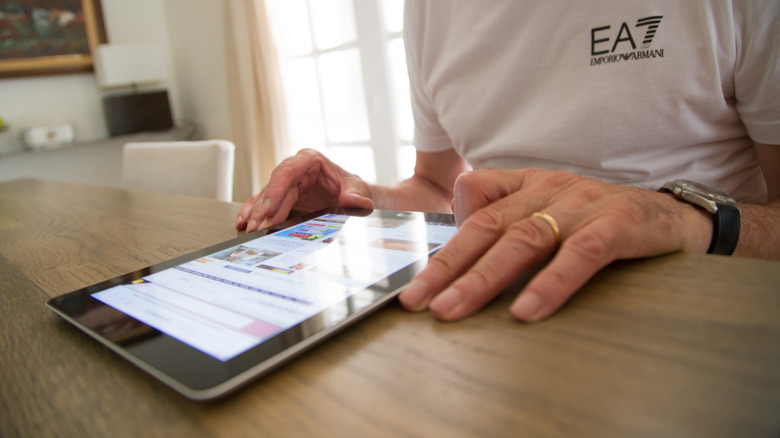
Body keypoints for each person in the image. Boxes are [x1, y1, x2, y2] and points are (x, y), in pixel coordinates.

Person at [236, 1, 780, 323]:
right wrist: (362, 198)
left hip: (704, 308)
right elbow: (435, 185)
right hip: (496, 300)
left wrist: (682, 217)